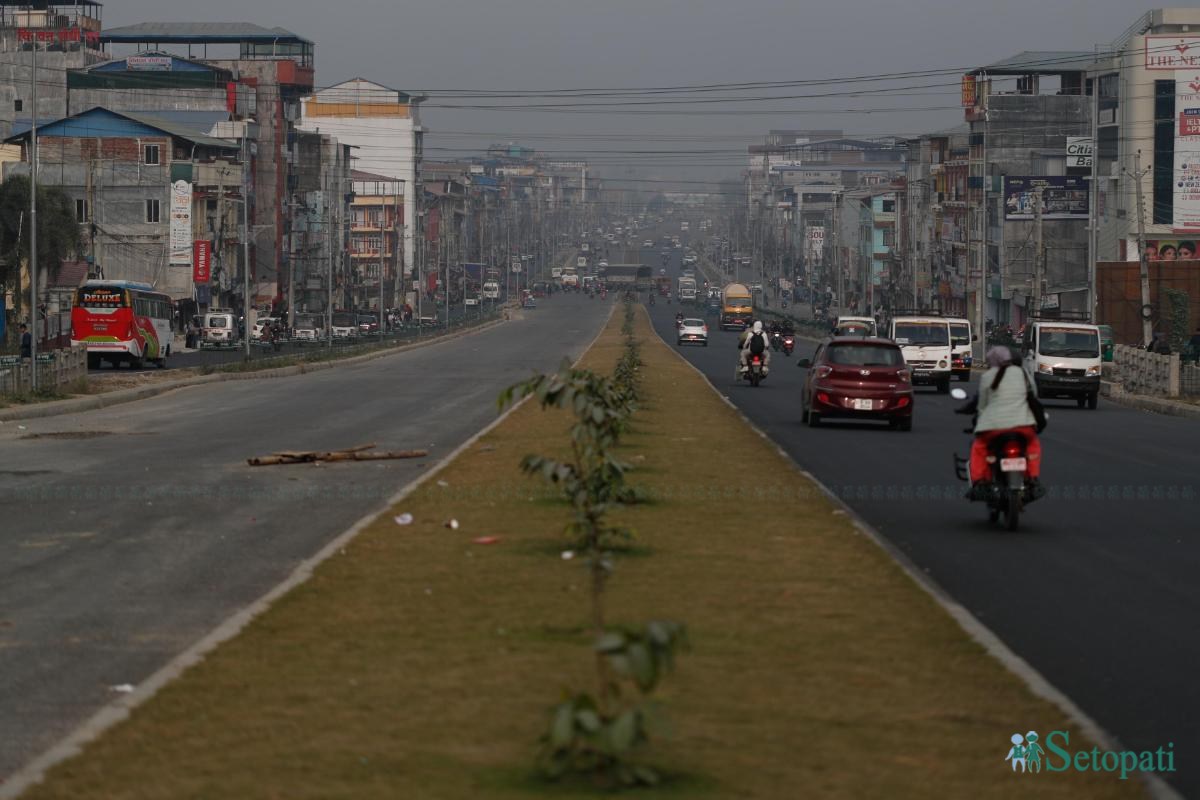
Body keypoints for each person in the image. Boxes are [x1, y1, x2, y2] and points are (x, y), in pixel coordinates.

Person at [966, 346, 1042, 495]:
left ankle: (980, 481)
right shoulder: (1023, 373)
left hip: (993, 428)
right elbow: (1034, 396)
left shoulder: (987, 376)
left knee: (979, 447)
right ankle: (1032, 477)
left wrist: (979, 422)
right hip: (1023, 426)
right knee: (1033, 445)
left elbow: (981, 406)